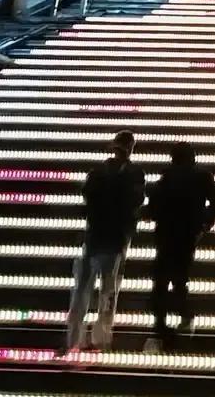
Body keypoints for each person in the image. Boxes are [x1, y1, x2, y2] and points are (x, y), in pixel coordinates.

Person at [64, 130, 145, 353]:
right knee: (107, 290)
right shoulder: (133, 174)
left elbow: (88, 196)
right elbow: (136, 201)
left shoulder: (99, 171)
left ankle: (75, 337)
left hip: (97, 234)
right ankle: (98, 337)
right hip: (115, 237)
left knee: (85, 288)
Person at [147, 142, 215, 343]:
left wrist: (152, 215)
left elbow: (154, 203)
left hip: (166, 233)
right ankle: (183, 315)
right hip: (187, 233)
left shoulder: (167, 176)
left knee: (162, 278)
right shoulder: (201, 176)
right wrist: (206, 221)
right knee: (180, 276)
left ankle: (161, 323)